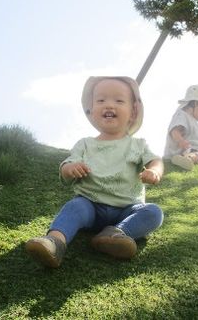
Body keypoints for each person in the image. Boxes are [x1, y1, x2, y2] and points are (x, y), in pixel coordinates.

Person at [24, 76, 164, 268]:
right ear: (91, 111)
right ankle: (55, 242)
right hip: (90, 205)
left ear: (133, 112)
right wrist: (70, 169)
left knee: (154, 212)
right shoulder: (85, 144)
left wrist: (154, 170)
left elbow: (155, 160)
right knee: (75, 207)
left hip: (127, 209)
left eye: (119, 100)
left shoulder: (137, 145)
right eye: (101, 100)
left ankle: (115, 234)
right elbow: (66, 167)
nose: (109, 105)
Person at [164, 84, 198, 170]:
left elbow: (191, 127)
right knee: (197, 155)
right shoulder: (181, 115)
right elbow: (174, 131)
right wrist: (181, 140)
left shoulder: (190, 119)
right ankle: (188, 159)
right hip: (184, 150)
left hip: (189, 150)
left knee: (197, 154)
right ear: (196, 103)